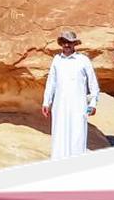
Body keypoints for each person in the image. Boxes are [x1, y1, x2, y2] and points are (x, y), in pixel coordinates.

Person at [41, 30, 100, 160]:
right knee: (59, 137)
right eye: (64, 42)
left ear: (74, 44)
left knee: (77, 137)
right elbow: (51, 83)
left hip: (78, 106)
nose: (67, 45)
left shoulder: (83, 60)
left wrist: (93, 104)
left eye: (69, 42)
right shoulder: (57, 60)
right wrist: (46, 102)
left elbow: (93, 84)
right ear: (61, 43)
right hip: (60, 106)